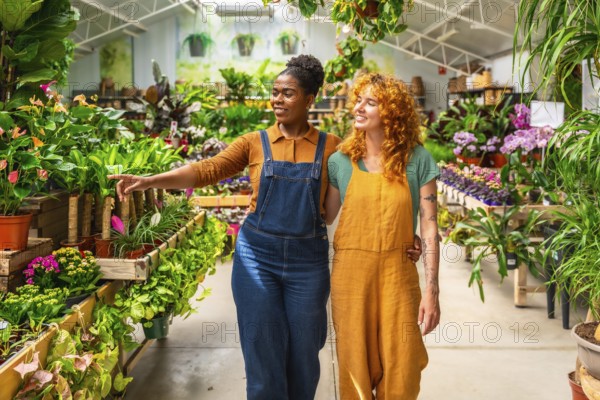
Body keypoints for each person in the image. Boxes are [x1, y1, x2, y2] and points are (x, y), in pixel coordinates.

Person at [109, 55, 341, 399]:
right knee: (262, 350)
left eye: (288, 93)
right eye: (275, 92)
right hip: (257, 258)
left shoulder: (331, 147)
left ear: (310, 99)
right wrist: (149, 180)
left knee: (305, 351)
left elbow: (343, 204)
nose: (277, 99)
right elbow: (206, 170)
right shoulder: (254, 142)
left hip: (309, 262)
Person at [325, 72, 441, 399]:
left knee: (403, 366)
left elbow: (430, 228)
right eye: (358, 100)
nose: (358, 108)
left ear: (392, 112)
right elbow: (325, 217)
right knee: (354, 368)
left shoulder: (418, 160)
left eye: (370, 102)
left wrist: (432, 291)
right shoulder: (340, 162)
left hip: (398, 274)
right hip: (350, 277)